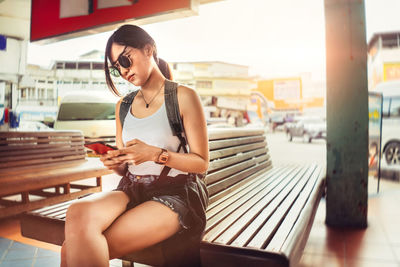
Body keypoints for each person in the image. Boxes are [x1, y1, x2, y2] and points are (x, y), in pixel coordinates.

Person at [61, 24, 209, 267]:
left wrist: (155, 154)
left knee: (71, 251)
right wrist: (115, 163)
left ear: (149, 49)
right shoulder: (124, 106)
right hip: (132, 189)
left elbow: (201, 163)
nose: (122, 71)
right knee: (77, 211)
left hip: (177, 193)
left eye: (125, 60)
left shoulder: (183, 96)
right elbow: (127, 164)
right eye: (116, 67)